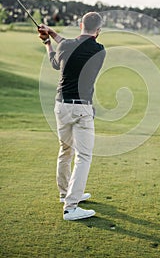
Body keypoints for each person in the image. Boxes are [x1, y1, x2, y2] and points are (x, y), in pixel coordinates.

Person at [38, 12, 106, 221]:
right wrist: (52, 37)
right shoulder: (99, 50)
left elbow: (57, 61)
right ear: (98, 31)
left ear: (80, 25)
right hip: (81, 108)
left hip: (61, 106)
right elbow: (72, 46)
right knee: (83, 156)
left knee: (65, 150)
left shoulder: (65, 46)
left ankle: (65, 193)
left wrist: (48, 42)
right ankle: (71, 207)